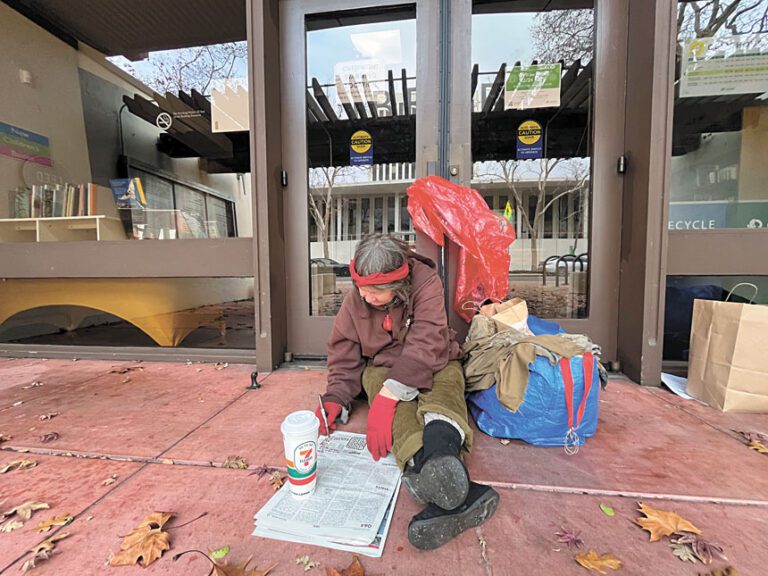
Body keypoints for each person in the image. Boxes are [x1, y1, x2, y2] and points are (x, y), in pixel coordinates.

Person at [315, 234, 499, 550]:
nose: (366, 295)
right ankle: (428, 467)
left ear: (399, 284)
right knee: (397, 415)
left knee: (446, 386)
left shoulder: (426, 284)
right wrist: (336, 396)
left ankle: (441, 453)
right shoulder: (356, 298)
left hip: (433, 359)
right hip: (383, 367)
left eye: (376, 290)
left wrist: (389, 397)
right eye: (361, 287)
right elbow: (345, 350)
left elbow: (428, 341)